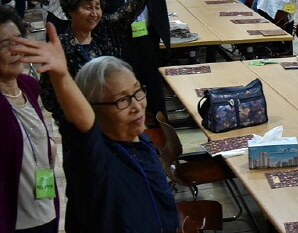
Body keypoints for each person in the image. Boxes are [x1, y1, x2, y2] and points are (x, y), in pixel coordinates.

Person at [13, 32, 179, 232]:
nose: (137, 106)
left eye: (137, 91)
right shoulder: (93, 159)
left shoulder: (140, 140)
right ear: (92, 109)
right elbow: (82, 126)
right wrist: (61, 76)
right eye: (122, 100)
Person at [41, 0, 175, 124]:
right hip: (83, 122)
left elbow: (129, 9)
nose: (94, 13)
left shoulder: (104, 29)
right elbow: (49, 98)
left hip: (116, 116)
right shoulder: (61, 47)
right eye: (87, 8)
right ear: (71, 12)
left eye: (97, 7)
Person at [97, 0, 197, 118]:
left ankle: (160, 123)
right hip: (123, 42)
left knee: (154, 84)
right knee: (126, 86)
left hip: (148, 37)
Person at [0, 6, 59, 233]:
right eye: (6, 44)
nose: (16, 50)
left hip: (45, 208)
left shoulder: (29, 86)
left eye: (18, 40)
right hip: (13, 220)